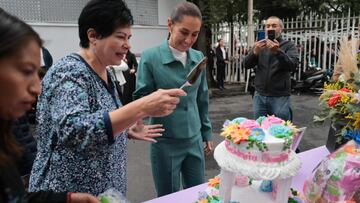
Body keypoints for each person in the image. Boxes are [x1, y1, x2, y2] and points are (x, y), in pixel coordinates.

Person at [29, 0, 185, 196]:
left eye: (128, 37)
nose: (128, 45)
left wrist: (126, 127)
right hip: (68, 193)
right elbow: (76, 131)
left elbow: (102, 120)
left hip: (105, 192)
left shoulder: (106, 72)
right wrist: (142, 107)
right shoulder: (68, 73)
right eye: (120, 37)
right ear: (93, 35)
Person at [0, 8, 99, 203]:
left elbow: (15, 197)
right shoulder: (70, 70)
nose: (38, 89)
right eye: (27, 71)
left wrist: (68, 199)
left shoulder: (5, 143)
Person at [133, 2, 213, 197]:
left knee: (198, 193)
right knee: (169, 196)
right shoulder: (151, 58)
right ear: (170, 25)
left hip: (194, 138)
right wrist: (157, 102)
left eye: (194, 34)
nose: (188, 40)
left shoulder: (197, 57)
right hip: (165, 142)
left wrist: (206, 133)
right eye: (183, 32)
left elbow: (202, 99)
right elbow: (140, 98)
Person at [244, 16, 299, 121]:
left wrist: (278, 52)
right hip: (259, 95)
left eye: (274, 26)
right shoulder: (260, 45)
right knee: (260, 131)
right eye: (267, 26)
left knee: (281, 130)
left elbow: (293, 66)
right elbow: (246, 64)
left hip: (280, 97)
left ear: (281, 29)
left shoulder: (289, 45)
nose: (270, 28)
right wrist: (254, 53)